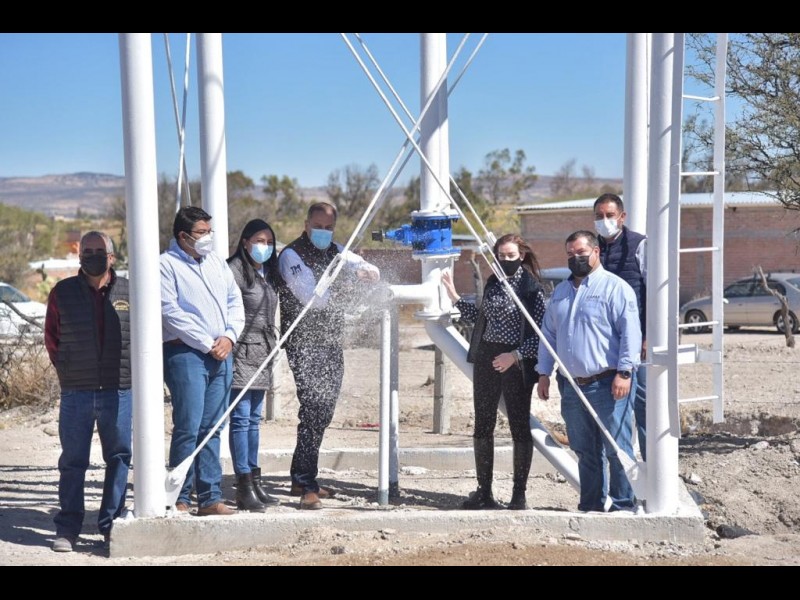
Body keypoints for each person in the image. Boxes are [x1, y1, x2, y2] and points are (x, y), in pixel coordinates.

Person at [278, 201, 380, 510]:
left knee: (324, 411)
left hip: (331, 341)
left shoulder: (336, 250)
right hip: (304, 343)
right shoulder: (292, 256)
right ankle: (306, 483)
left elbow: (368, 268)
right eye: (318, 226)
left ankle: (301, 476)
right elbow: (313, 299)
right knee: (313, 407)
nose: (324, 232)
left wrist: (365, 272)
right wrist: (350, 280)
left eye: (329, 227)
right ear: (306, 225)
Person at [537, 230, 641, 512]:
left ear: (596, 252)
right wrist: (543, 373)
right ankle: (591, 505)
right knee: (585, 450)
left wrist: (625, 372)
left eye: (581, 252)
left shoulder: (616, 289)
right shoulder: (560, 293)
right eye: (570, 254)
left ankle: (622, 506)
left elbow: (630, 333)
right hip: (571, 386)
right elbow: (548, 335)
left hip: (608, 384)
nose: (576, 258)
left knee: (616, 449)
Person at [442, 234, 546, 511]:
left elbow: (541, 334)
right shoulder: (494, 282)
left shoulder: (531, 289)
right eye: (501, 256)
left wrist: (514, 356)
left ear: (522, 256)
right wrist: (454, 297)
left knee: (518, 426)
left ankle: (518, 495)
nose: (505, 260)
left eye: (511, 256)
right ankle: (484, 492)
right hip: (487, 358)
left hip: (516, 362)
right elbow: (482, 319)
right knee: (483, 424)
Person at [45, 231, 131, 552]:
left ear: (111, 257)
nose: (92, 256)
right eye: (87, 250)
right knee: (72, 461)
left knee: (119, 457)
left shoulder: (130, 291)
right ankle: (68, 528)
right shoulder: (62, 292)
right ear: (79, 255)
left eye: (98, 251)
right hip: (76, 392)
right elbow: (52, 338)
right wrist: (68, 370)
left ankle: (111, 525)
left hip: (118, 390)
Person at [161, 206, 244, 516]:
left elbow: (234, 301)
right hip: (186, 354)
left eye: (210, 231)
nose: (208, 237)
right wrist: (208, 343)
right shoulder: (165, 265)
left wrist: (229, 337)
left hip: (221, 353)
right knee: (188, 426)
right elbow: (170, 312)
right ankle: (179, 496)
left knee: (212, 428)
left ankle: (209, 497)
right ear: (183, 236)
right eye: (201, 232)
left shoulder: (216, 262)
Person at [226, 218, 281, 511]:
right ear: (245, 242)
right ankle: (243, 484)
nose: (265, 247)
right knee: (241, 418)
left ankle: (255, 479)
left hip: (263, 353)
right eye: (260, 241)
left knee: (254, 420)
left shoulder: (268, 271)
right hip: (241, 352)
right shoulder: (234, 271)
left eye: (269, 242)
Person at [593, 193, 648, 460]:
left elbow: (652, 292)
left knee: (644, 403)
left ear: (622, 217)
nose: (604, 221)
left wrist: (647, 336)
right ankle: (621, 469)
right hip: (604, 343)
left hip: (637, 340)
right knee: (611, 408)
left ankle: (652, 467)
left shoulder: (639, 245)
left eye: (609, 215)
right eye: (599, 216)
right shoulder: (592, 248)